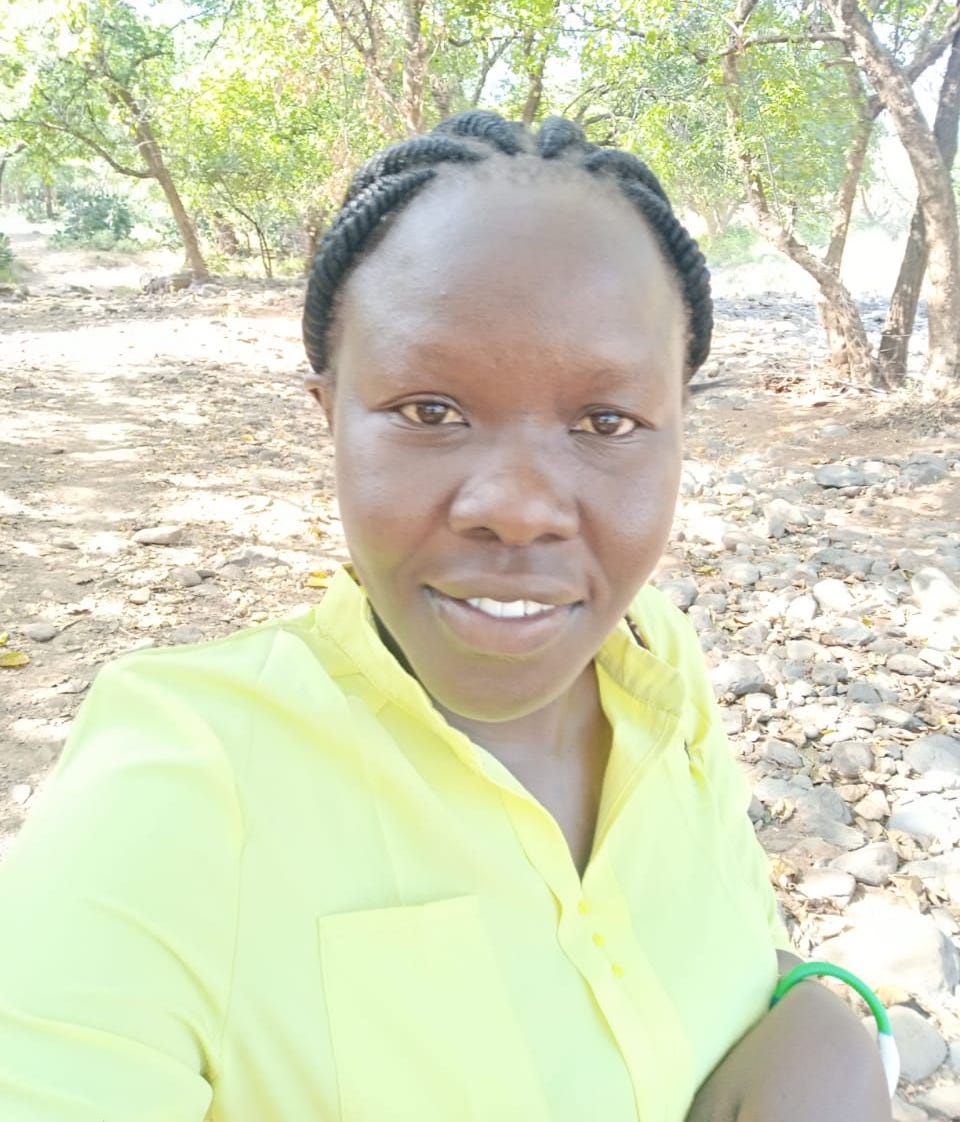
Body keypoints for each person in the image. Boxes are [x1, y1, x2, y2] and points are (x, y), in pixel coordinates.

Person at [0, 112, 890, 1121]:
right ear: (330, 418)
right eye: (430, 411)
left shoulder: (658, 666)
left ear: (679, 433)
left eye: (607, 421)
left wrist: (816, 1009)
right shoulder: (177, 779)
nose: (518, 507)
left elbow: (713, 956)